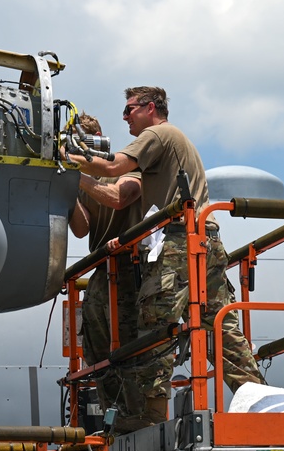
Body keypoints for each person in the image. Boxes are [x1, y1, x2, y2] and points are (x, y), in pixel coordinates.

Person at [67, 87, 264, 425]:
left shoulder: (158, 134)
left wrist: (66, 160)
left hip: (179, 241)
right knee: (219, 326)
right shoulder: (166, 144)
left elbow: (116, 172)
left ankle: (151, 418)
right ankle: (263, 402)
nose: (125, 116)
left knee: (156, 327)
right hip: (203, 239)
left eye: (130, 109)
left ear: (151, 108)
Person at [68, 113, 148, 432]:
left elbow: (119, 198)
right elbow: (81, 227)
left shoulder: (129, 165)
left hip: (130, 267)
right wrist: (65, 187)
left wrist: (76, 175)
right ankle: (116, 420)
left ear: (97, 138)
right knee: (98, 352)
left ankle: (139, 417)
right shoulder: (83, 179)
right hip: (102, 269)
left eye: (81, 143)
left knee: (128, 349)